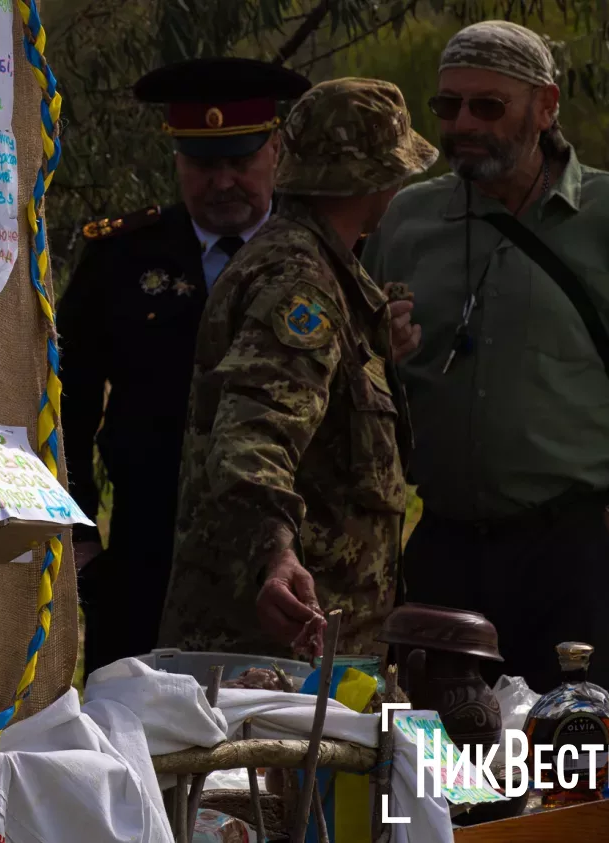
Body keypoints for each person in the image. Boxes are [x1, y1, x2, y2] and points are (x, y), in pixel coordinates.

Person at [362, 21, 609, 696]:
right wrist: (379, 351)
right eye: (448, 106)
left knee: (578, 760)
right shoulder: (407, 220)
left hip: (574, 548)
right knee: (448, 772)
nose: (463, 125)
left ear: (546, 107)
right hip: (445, 548)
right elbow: (360, 382)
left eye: (488, 105)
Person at [157, 78, 439, 659]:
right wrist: (275, 554)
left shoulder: (318, 271)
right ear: (376, 178)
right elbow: (250, 438)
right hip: (274, 653)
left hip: (308, 646)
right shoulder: (300, 283)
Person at [57, 58, 311, 676]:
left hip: (285, 550)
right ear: (176, 158)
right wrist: (78, 528)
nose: (222, 182)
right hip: (150, 543)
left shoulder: (318, 255)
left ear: (275, 149)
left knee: (279, 736)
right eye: (203, 164)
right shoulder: (123, 257)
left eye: (240, 161)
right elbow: (66, 398)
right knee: (137, 731)